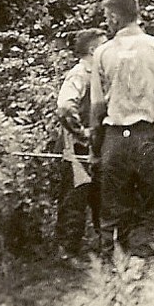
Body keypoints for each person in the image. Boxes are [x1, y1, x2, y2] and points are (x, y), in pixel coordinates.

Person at [90, 0, 154, 259]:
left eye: (107, 18)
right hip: (151, 135)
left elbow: (97, 106)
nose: (107, 23)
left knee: (114, 208)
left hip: (116, 137)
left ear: (115, 17)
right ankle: (149, 262)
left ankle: (114, 267)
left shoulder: (102, 53)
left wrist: (96, 143)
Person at [54, 28, 107, 260]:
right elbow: (65, 107)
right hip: (76, 150)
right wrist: (83, 134)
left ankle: (105, 254)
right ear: (93, 49)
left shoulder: (99, 74)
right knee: (74, 203)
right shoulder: (79, 74)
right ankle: (67, 256)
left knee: (102, 199)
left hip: (97, 148)